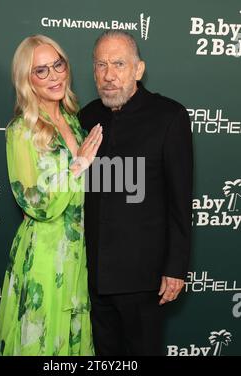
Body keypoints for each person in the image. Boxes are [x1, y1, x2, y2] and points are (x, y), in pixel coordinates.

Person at [78, 31, 193, 356]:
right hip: (93, 277)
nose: (108, 75)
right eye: (100, 65)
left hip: (143, 279)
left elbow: (180, 200)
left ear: (138, 70)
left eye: (118, 64)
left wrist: (176, 267)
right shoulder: (86, 116)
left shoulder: (169, 116)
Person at [0, 35, 102, 356]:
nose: (54, 76)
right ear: (26, 79)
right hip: (44, 253)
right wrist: (78, 165)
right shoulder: (21, 131)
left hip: (78, 252)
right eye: (41, 71)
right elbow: (35, 204)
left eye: (58, 65)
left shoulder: (73, 121)